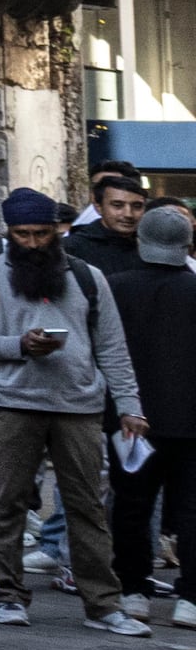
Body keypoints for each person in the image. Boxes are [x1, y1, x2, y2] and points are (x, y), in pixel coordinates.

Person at [0, 189, 149, 637]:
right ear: (9, 234)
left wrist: (129, 406)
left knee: (87, 507)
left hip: (80, 407)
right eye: (23, 234)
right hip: (12, 405)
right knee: (8, 503)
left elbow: (112, 347)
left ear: (58, 232)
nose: (33, 243)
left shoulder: (88, 277)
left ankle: (103, 605)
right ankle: (9, 595)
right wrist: (18, 346)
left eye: (42, 234)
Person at [107, 202, 196, 611]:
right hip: (190, 421)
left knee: (131, 506)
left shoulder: (115, 287)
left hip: (131, 419)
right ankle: (191, 598)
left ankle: (133, 589)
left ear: (141, 241)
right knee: (192, 507)